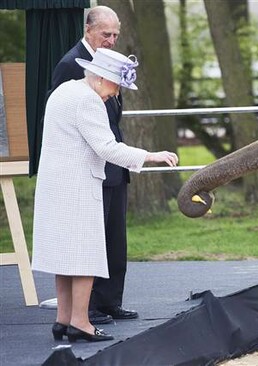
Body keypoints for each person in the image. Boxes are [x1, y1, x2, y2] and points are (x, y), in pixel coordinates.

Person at [32, 47, 179, 342]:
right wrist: (151, 155)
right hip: (78, 186)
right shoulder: (88, 100)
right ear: (100, 77)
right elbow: (107, 148)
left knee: (65, 256)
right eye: (116, 86)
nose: (116, 94)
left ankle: (62, 319)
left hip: (55, 185)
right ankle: (80, 322)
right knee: (85, 255)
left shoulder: (64, 91)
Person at [49, 6, 136, 324]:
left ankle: (111, 300)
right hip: (89, 165)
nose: (112, 40)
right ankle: (90, 308)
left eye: (115, 34)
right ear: (88, 30)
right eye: (106, 34)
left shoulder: (109, 62)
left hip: (114, 162)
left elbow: (111, 115)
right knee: (92, 239)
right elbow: (60, 114)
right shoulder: (71, 64)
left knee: (115, 238)